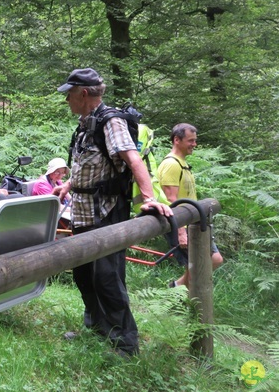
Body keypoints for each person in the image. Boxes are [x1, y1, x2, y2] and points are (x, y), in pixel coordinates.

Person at [57, 67, 172, 357]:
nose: (66, 99)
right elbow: (91, 163)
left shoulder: (112, 121)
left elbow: (133, 159)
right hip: (82, 214)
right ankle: (96, 329)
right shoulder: (87, 124)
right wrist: (69, 183)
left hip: (106, 213)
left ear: (83, 93)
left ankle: (125, 344)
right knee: (84, 274)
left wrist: (148, 197)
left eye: (69, 94)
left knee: (107, 277)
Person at [158, 123, 223, 288]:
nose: (194, 144)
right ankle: (182, 294)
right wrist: (180, 232)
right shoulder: (171, 164)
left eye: (195, 140)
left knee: (206, 262)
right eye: (191, 140)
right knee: (206, 261)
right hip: (181, 225)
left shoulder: (182, 163)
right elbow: (171, 200)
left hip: (192, 223)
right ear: (177, 140)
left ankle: (177, 290)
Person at [32, 157, 72, 224]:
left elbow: (66, 193)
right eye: (57, 172)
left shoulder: (56, 181)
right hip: (46, 217)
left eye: (62, 172)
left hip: (57, 212)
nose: (60, 175)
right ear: (51, 171)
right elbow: (53, 205)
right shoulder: (41, 184)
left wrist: (73, 204)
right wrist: (71, 210)